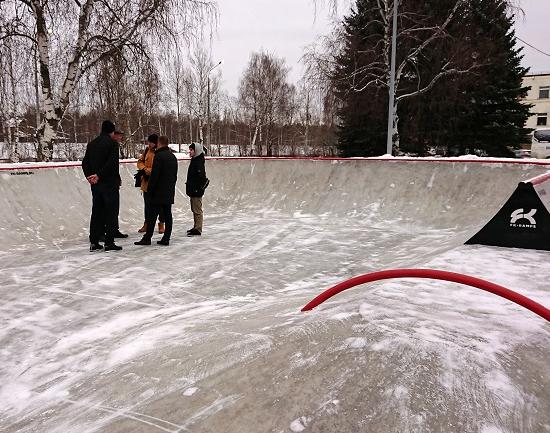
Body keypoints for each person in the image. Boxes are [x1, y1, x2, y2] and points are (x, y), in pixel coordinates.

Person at [82, 120, 123, 252]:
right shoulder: (112, 144)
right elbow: (111, 164)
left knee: (97, 212)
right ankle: (109, 242)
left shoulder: (92, 144)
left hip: (96, 185)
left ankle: (94, 241)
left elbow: (85, 163)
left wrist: (90, 176)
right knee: (111, 212)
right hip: (109, 184)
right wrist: (99, 175)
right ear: (112, 131)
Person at [135, 135, 178, 246]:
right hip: (168, 191)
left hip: (157, 192)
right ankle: (166, 238)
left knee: (152, 214)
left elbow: (155, 175)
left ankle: (147, 238)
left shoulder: (158, 156)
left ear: (159, 143)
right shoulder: (172, 156)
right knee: (168, 215)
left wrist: (150, 189)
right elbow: (174, 176)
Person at [136, 134, 166, 234]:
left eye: (151, 142)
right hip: (146, 182)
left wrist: (151, 171)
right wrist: (144, 169)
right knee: (147, 204)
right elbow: (140, 162)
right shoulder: (147, 151)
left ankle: (161, 223)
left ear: (156, 143)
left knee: (160, 205)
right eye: (148, 142)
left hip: (157, 183)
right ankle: (147, 223)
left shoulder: (160, 152)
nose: (149, 144)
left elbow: (162, 167)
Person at [186, 142, 207, 236]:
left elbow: (201, 176)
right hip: (193, 189)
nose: (189, 152)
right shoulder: (195, 160)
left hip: (196, 190)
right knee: (194, 209)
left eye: (191, 150)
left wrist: (197, 188)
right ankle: (196, 227)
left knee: (197, 210)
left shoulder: (198, 162)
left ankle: (198, 228)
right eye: (189, 150)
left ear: (196, 151)